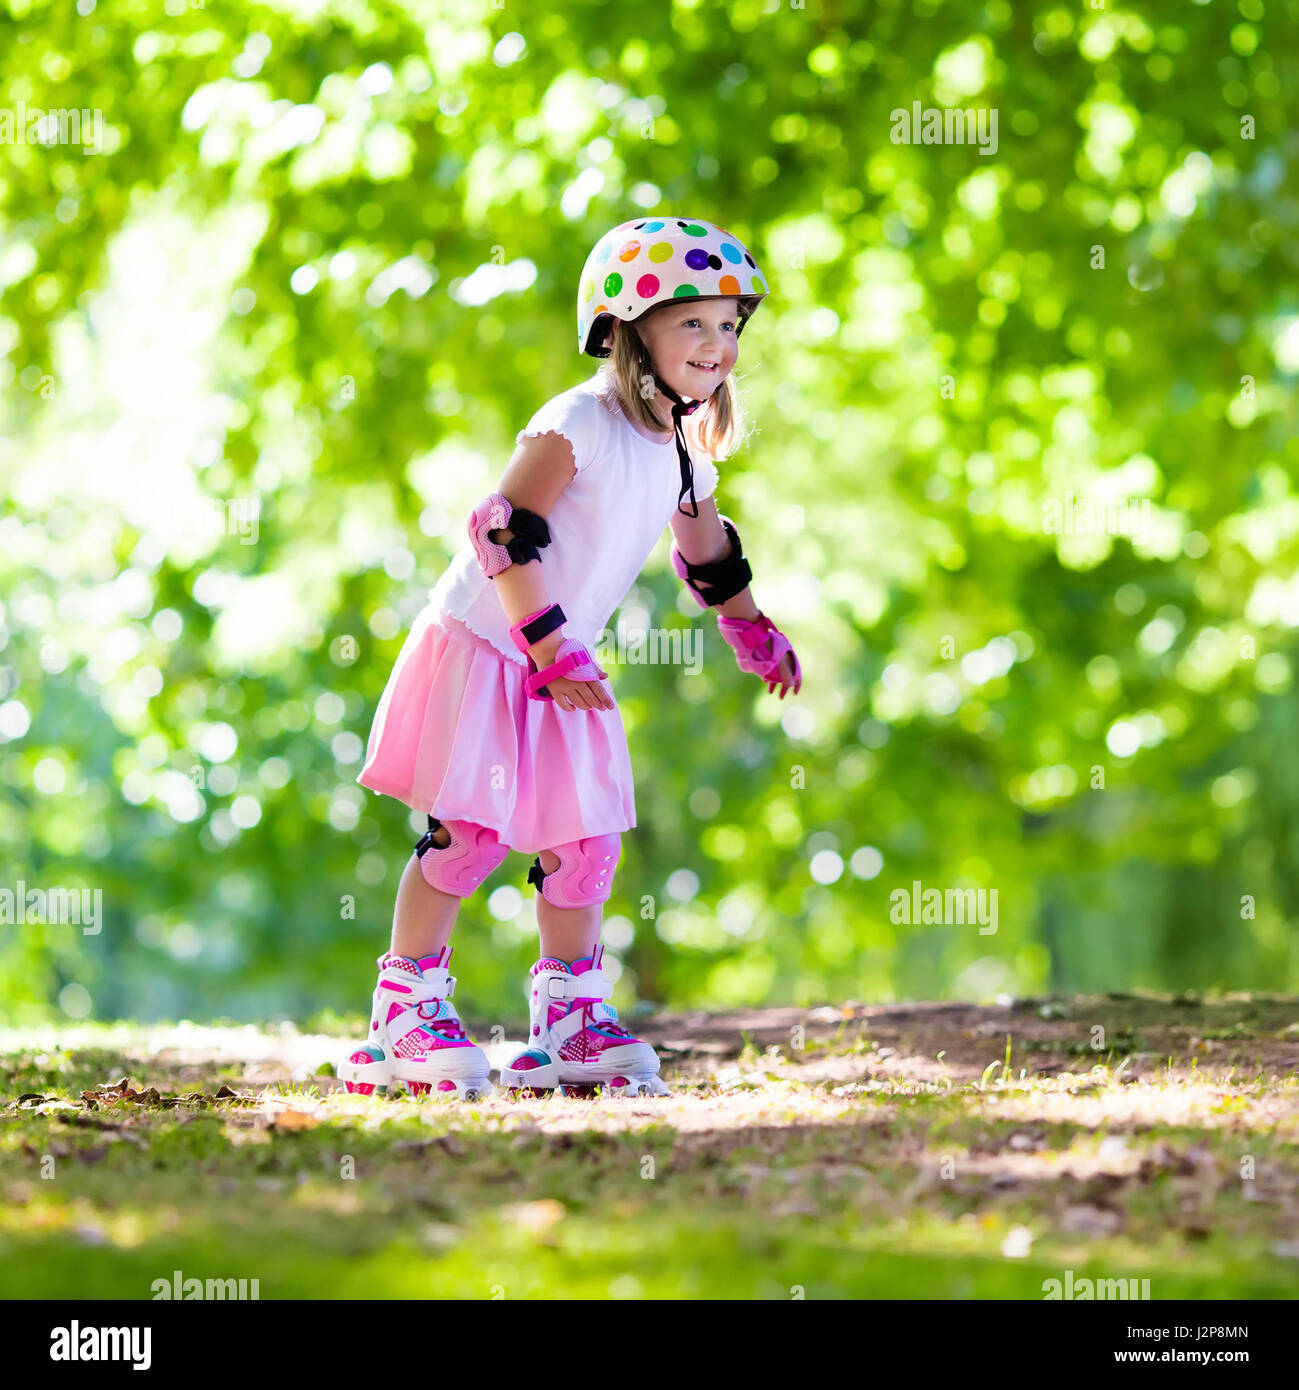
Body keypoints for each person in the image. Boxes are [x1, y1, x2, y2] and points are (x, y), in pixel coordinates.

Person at [339, 216, 801, 1100]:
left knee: (583, 845)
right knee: (467, 835)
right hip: (488, 644)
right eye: (693, 323)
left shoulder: (678, 452)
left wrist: (750, 627)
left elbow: (707, 553)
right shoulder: (576, 420)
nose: (717, 345)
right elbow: (501, 532)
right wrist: (546, 642)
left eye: (730, 327)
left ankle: (569, 1026)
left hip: (561, 662)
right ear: (629, 330)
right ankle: (404, 1009)